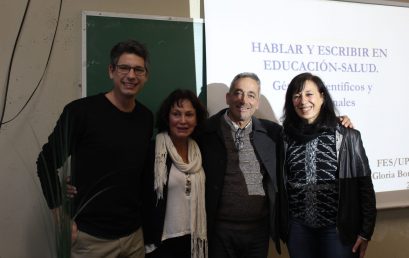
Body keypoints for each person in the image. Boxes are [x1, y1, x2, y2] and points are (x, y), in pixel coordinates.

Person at [37, 39, 153, 258]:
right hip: (90, 240)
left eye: (139, 69)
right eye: (124, 68)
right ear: (111, 71)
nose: (131, 75)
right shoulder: (80, 112)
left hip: (134, 238)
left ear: (146, 76)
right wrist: (60, 217)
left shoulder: (146, 118)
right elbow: (45, 162)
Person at [279, 72, 376, 258]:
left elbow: (365, 187)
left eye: (309, 94)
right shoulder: (284, 136)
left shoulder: (347, 136)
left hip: (337, 230)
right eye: (296, 96)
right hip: (299, 228)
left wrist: (365, 232)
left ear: (322, 97)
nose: (303, 101)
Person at [197, 72, 283, 258]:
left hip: (258, 232)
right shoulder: (205, 131)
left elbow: (304, 131)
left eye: (251, 95)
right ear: (228, 98)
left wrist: (337, 123)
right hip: (218, 231)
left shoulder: (272, 133)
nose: (243, 100)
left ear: (257, 102)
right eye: (238, 93)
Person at [142, 89, 208, 258]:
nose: (183, 121)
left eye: (189, 114)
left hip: (193, 239)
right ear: (167, 117)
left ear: (197, 119)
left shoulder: (201, 151)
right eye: (176, 114)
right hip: (161, 243)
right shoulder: (154, 151)